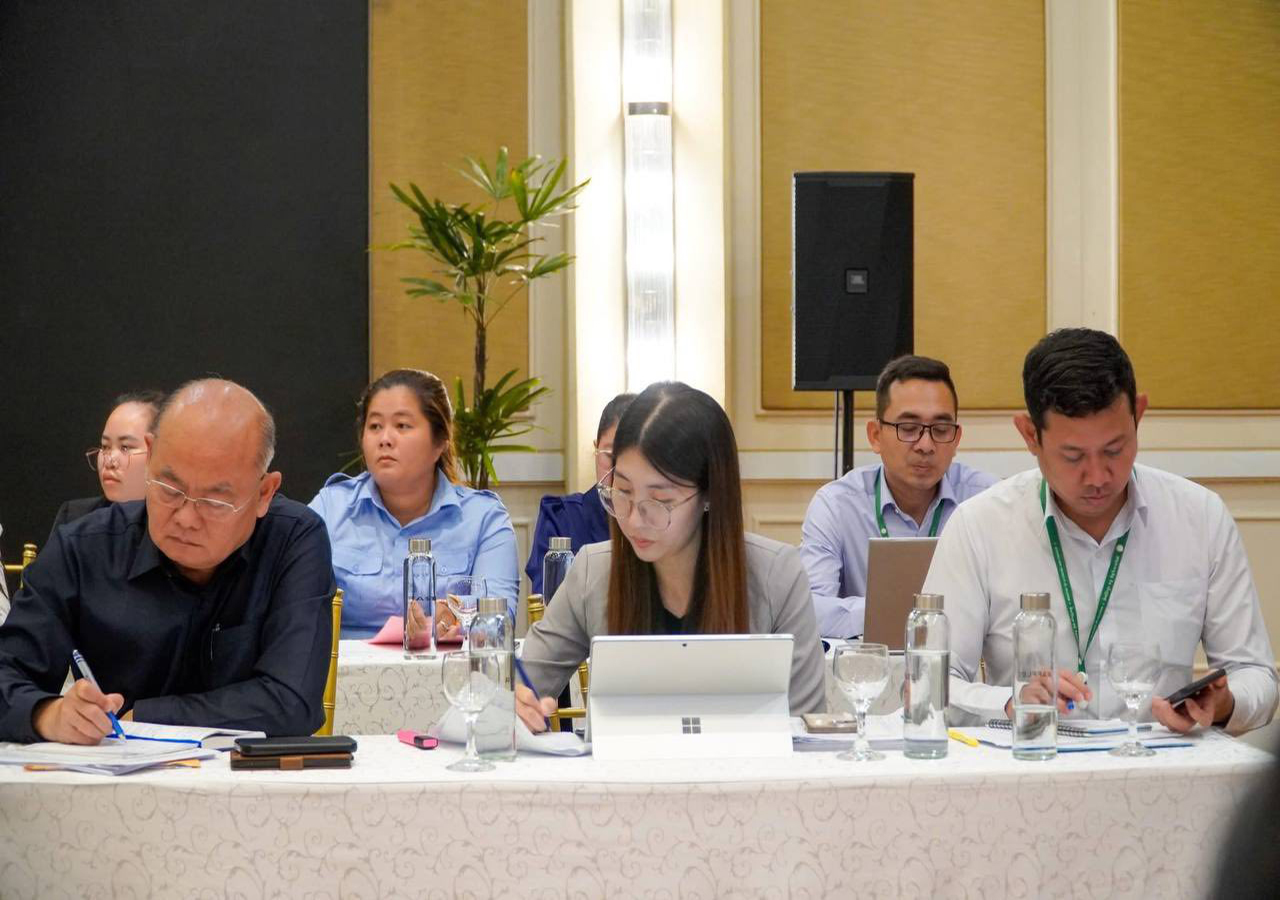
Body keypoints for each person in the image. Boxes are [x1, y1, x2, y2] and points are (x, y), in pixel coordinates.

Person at [922, 328, 1277, 734]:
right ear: (1030, 436)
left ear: (1138, 415)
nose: (1097, 477)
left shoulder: (1200, 518)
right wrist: (1010, 701)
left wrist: (1226, 704)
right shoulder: (980, 526)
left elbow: (1256, 675)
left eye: (1114, 450)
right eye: (1073, 456)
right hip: (1036, 760)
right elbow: (930, 683)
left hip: (1162, 761)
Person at [0, 379, 335, 743]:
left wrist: (143, 716)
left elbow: (292, 701)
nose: (186, 519)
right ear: (149, 455)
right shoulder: (84, 548)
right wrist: (45, 714)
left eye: (214, 502)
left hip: (246, 776)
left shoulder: (292, 539)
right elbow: (7, 673)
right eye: (169, 489)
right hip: (113, 773)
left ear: (264, 493)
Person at [516, 382, 826, 731]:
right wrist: (512, 703)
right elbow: (519, 684)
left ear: (710, 494)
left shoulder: (777, 576)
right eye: (622, 492)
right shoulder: (593, 571)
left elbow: (808, 732)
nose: (634, 520)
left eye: (660, 501)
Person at [309, 369, 519, 639]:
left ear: (440, 442)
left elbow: (497, 622)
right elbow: (294, 607)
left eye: (402, 426)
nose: (385, 439)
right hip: (346, 664)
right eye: (375, 426)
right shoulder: (330, 508)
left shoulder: (483, 518)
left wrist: (451, 624)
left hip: (445, 664)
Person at [800, 356, 997, 638]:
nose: (926, 445)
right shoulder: (836, 505)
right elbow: (810, 610)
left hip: (960, 661)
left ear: (956, 439)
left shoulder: (985, 499)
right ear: (875, 435)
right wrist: (901, 613)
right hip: (872, 661)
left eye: (941, 430)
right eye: (908, 429)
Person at [524, 392, 635, 594]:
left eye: (630, 458)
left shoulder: (656, 521)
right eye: (610, 456)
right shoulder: (561, 517)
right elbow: (546, 599)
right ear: (596, 449)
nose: (618, 470)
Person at [50, 390, 166, 536]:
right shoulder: (75, 517)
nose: (109, 461)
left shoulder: (176, 526)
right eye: (105, 447)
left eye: (125, 447)